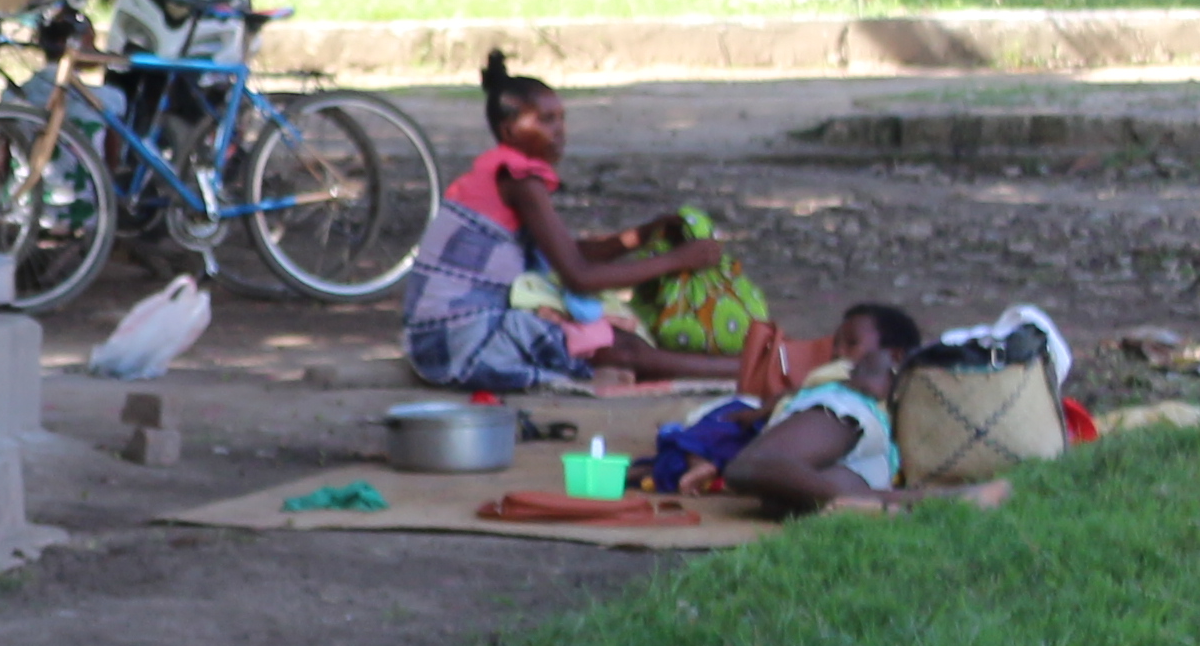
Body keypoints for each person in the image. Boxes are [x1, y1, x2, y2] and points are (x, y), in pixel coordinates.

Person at [398, 51, 735, 388]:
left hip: (440, 334)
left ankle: (741, 366)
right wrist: (677, 260)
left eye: (561, 119)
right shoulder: (520, 179)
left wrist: (643, 235)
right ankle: (745, 369)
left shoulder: (499, 172)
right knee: (616, 345)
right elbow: (579, 277)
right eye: (546, 120)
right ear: (509, 130)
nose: (559, 131)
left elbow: (565, 256)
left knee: (606, 333)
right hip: (459, 339)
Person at [678, 300, 1001, 514]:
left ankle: (884, 502)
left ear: (894, 355)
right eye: (836, 345)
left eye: (851, 343)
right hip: (874, 453)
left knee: (751, 466)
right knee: (790, 497)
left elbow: (874, 383)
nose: (837, 353)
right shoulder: (845, 382)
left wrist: (869, 374)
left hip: (847, 414)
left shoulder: (856, 381)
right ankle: (927, 502)